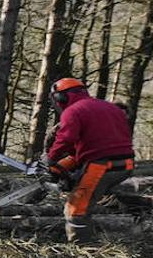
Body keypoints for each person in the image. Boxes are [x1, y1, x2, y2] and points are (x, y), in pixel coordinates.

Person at [45, 78, 135, 244]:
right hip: (126, 164)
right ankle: (142, 207)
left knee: (75, 210)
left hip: (101, 166)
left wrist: (50, 159)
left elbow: (66, 139)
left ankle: (83, 248)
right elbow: (93, 143)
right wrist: (60, 167)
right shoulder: (110, 107)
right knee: (101, 192)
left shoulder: (72, 111)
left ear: (60, 98)